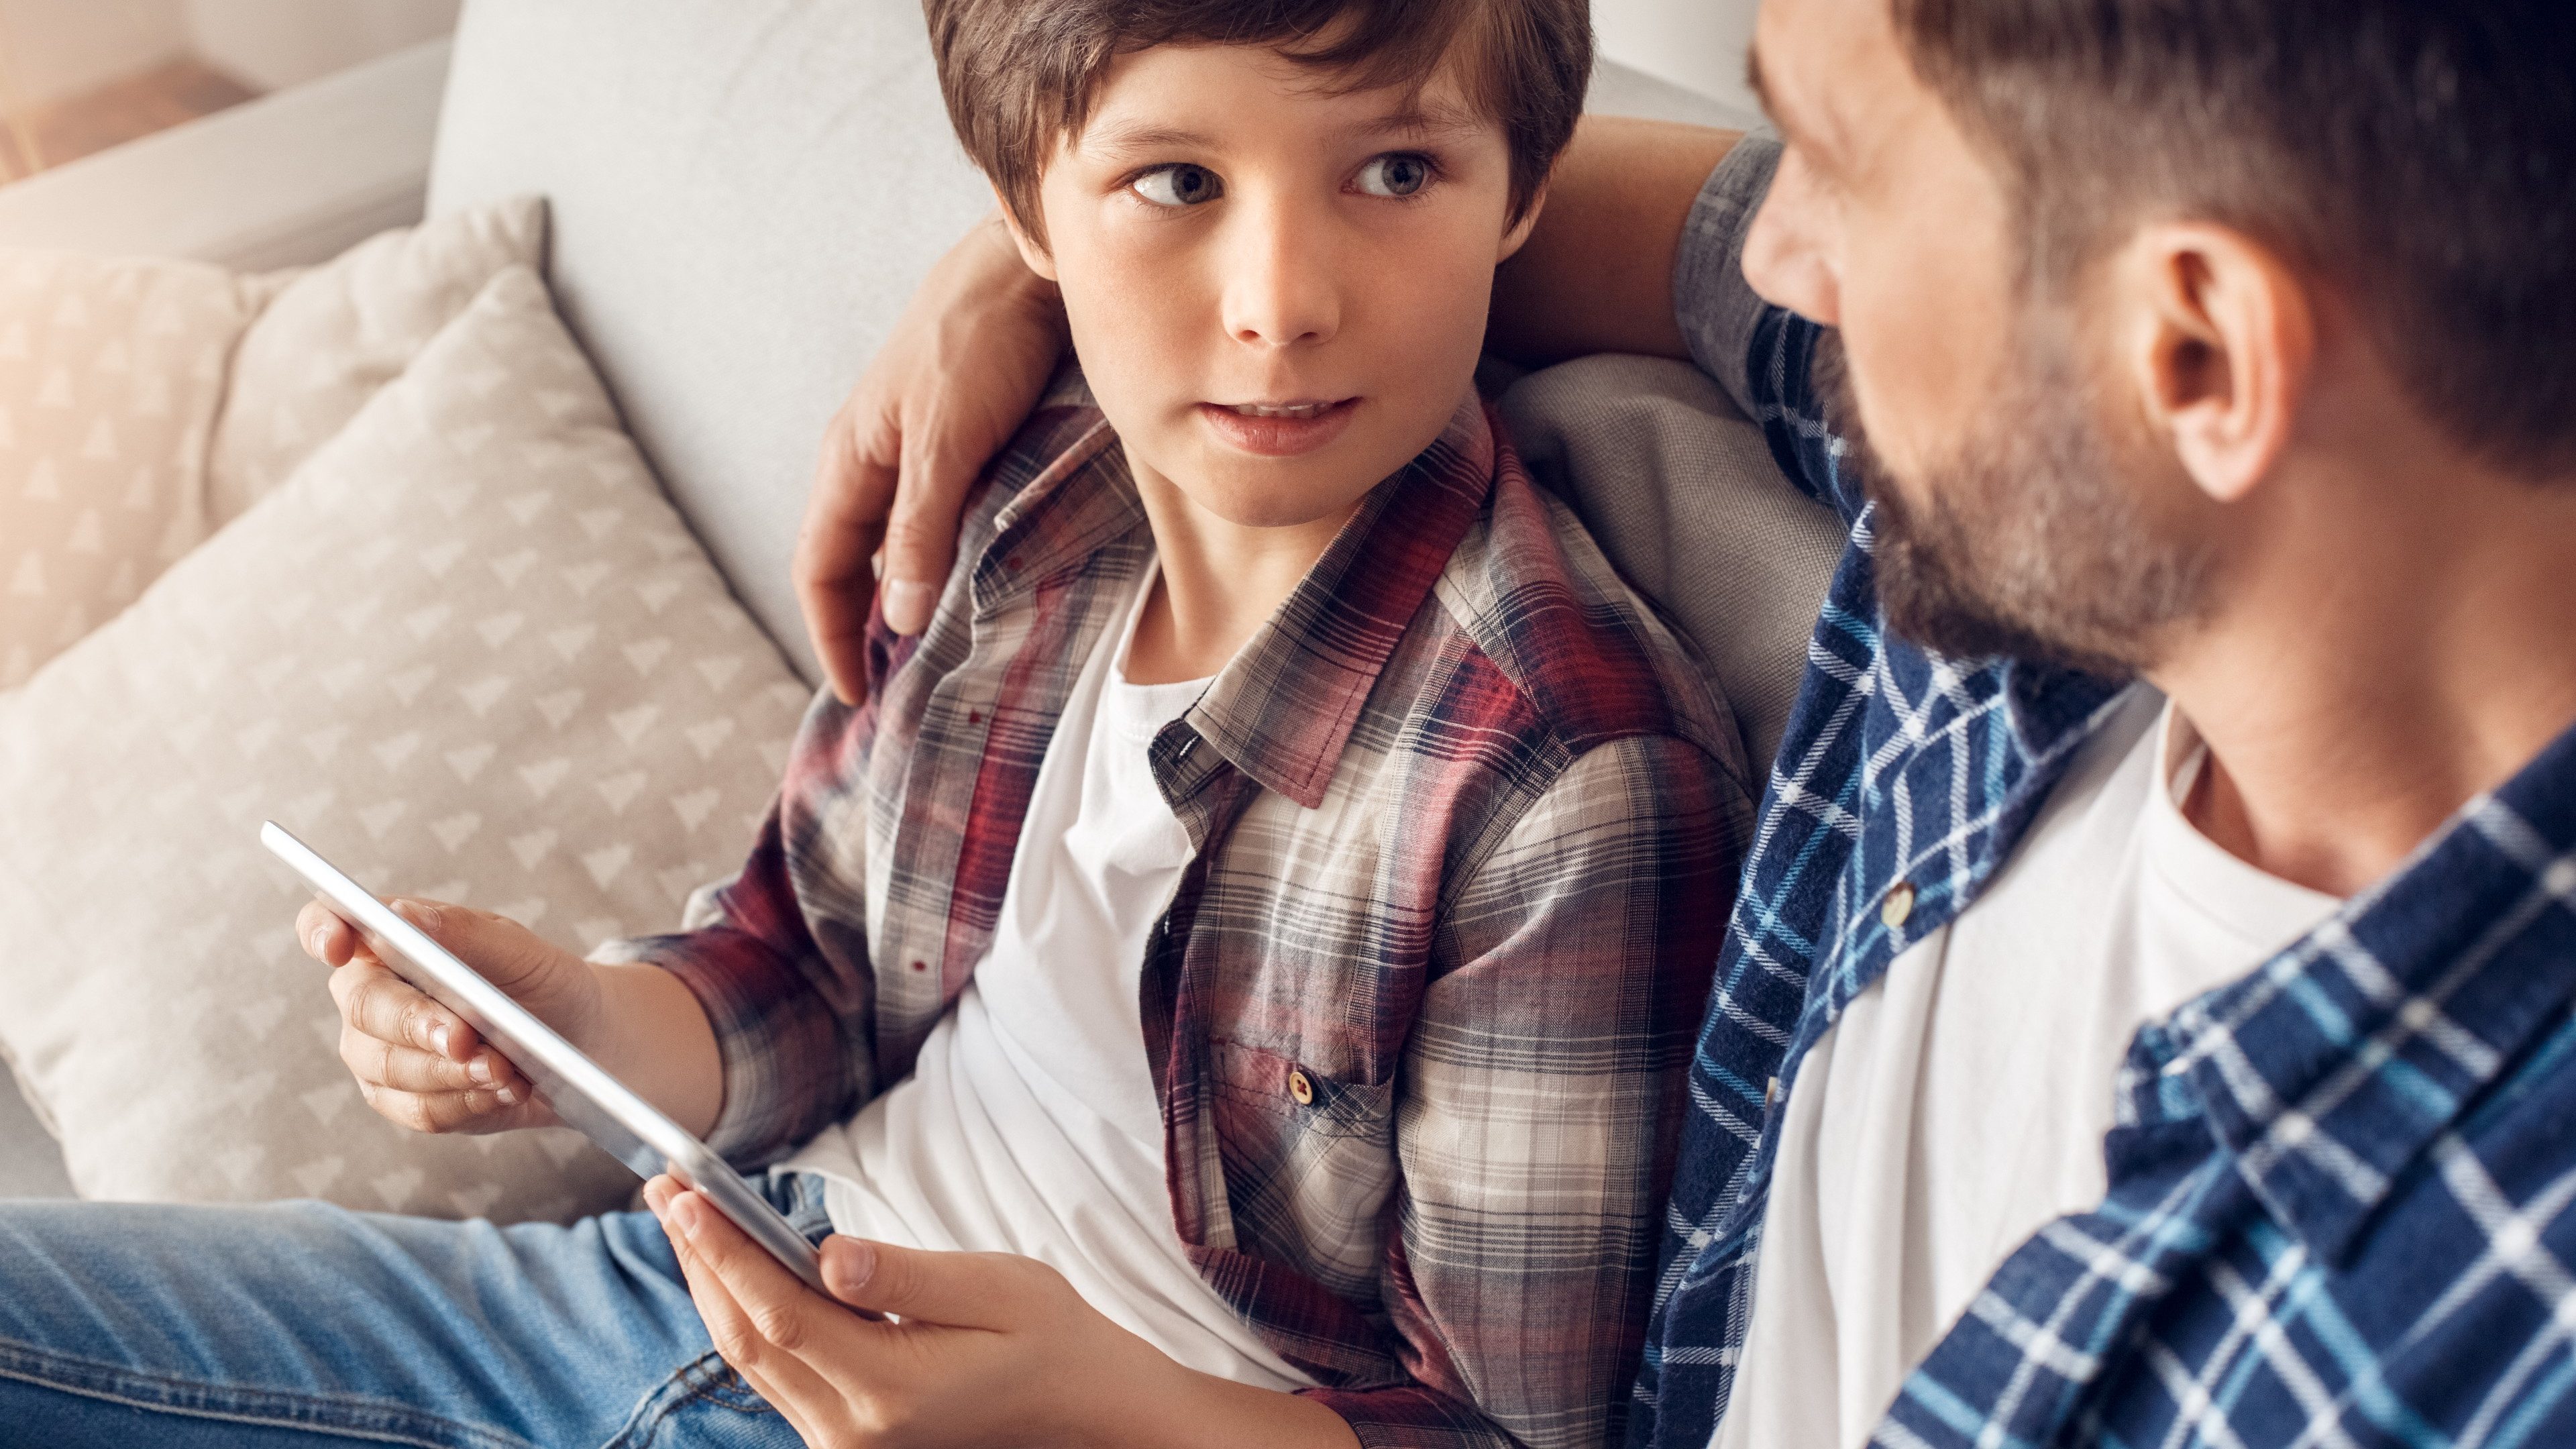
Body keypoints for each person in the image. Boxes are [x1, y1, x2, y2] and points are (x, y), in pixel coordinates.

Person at [801, 1, 2576, 1446]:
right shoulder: (2106, 518)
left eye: (1842, 174)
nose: (1778, 253)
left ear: (2195, 354)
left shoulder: (2479, 1342)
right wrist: (1046, 250)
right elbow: (1513, 207)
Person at [0, 2, 1749, 1447]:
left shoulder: (1565, 786)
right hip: (687, 1286)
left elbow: (1521, 1435)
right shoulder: (1037, 475)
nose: (1281, 301)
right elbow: (809, 970)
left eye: (1394, 172)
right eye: (1177, 182)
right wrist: (584, 1024)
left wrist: (1104, 1414)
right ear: (1024, 207)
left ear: (1523, 189)